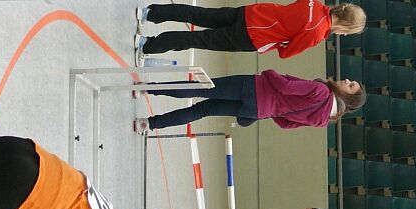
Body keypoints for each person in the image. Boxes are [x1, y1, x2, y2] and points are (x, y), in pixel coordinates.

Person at [135, 0, 366, 61]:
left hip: (250, 13)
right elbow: (286, 53)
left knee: (200, 14)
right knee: (199, 40)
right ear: (345, 28)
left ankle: (150, 12)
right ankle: (148, 45)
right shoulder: (316, 33)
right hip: (252, 36)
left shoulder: (313, 2)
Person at [134, 70, 365, 132]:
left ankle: (149, 88)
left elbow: (285, 86)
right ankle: (149, 124)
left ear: (348, 97)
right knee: (202, 110)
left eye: (350, 85)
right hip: (257, 111)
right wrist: (272, 109)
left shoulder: (322, 91)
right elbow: (285, 124)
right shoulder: (322, 121)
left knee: (202, 88)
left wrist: (269, 73)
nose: (346, 80)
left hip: (254, 87)